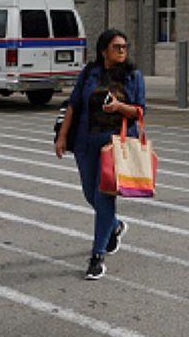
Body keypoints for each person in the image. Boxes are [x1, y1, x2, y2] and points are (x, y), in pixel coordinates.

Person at [54, 29, 145, 281]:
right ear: (104, 50)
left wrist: (118, 107)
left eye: (125, 47)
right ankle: (114, 226)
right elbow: (73, 105)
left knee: (104, 197)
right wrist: (62, 137)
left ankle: (97, 257)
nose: (122, 51)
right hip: (85, 141)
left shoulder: (133, 76)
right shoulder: (89, 72)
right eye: (117, 47)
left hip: (115, 144)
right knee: (89, 194)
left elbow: (139, 111)